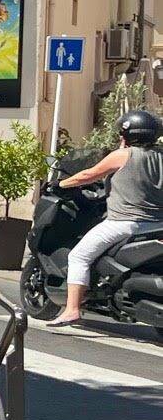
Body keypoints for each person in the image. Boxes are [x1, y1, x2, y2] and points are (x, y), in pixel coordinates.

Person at [46, 108, 163, 328]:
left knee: (79, 257)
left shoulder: (123, 155)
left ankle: (71, 310)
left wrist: (59, 184)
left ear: (127, 135)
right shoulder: (161, 156)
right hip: (157, 224)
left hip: (124, 223)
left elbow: (89, 175)